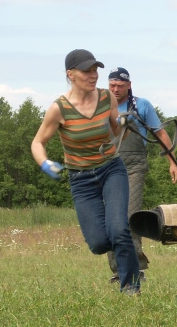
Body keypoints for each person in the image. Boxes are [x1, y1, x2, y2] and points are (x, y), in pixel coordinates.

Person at [31, 49, 141, 295]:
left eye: (95, 70)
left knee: (120, 229)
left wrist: (124, 124)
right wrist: (45, 163)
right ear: (70, 74)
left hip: (111, 169)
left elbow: (114, 130)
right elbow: (37, 143)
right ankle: (124, 266)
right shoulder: (58, 109)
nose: (94, 75)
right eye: (87, 71)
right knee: (99, 242)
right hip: (81, 179)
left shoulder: (106, 98)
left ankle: (131, 287)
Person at [107, 67, 177, 283]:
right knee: (111, 220)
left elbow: (160, 133)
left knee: (129, 216)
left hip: (133, 166)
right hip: (107, 167)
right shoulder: (100, 107)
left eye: (120, 85)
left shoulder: (141, 106)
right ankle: (117, 271)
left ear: (129, 85)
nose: (116, 89)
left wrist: (172, 162)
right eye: (112, 85)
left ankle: (136, 269)